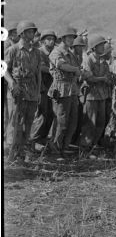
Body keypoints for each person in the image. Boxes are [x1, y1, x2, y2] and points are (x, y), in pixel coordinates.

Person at [4, 21, 42, 161]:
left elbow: (38, 74)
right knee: (15, 123)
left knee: (28, 122)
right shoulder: (13, 50)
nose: (32, 34)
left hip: (31, 91)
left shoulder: (36, 52)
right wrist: (12, 83)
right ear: (22, 33)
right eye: (29, 31)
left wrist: (38, 92)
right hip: (17, 91)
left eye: (33, 31)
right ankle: (10, 155)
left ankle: (21, 153)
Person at [48, 26, 82, 158]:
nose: (72, 40)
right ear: (62, 38)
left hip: (72, 89)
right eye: (69, 37)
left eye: (73, 38)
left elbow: (76, 68)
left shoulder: (71, 53)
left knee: (73, 121)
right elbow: (61, 65)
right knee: (61, 121)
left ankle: (64, 147)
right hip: (61, 89)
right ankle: (55, 148)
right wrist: (75, 70)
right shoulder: (56, 52)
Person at [80, 34, 111, 157]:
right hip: (91, 96)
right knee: (89, 123)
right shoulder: (88, 60)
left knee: (101, 122)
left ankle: (93, 145)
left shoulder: (103, 61)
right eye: (100, 45)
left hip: (102, 96)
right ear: (94, 47)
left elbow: (107, 76)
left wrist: (106, 79)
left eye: (103, 44)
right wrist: (103, 79)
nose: (103, 47)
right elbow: (88, 77)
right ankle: (84, 149)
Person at [29, 29, 56, 149]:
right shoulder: (39, 53)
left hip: (51, 88)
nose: (51, 41)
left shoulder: (53, 53)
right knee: (40, 115)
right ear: (43, 41)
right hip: (41, 88)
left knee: (50, 114)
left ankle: (42, 138)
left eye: (53, 39)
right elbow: (40, 68)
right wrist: (54, 69)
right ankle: (33, 141)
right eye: (48, 39)